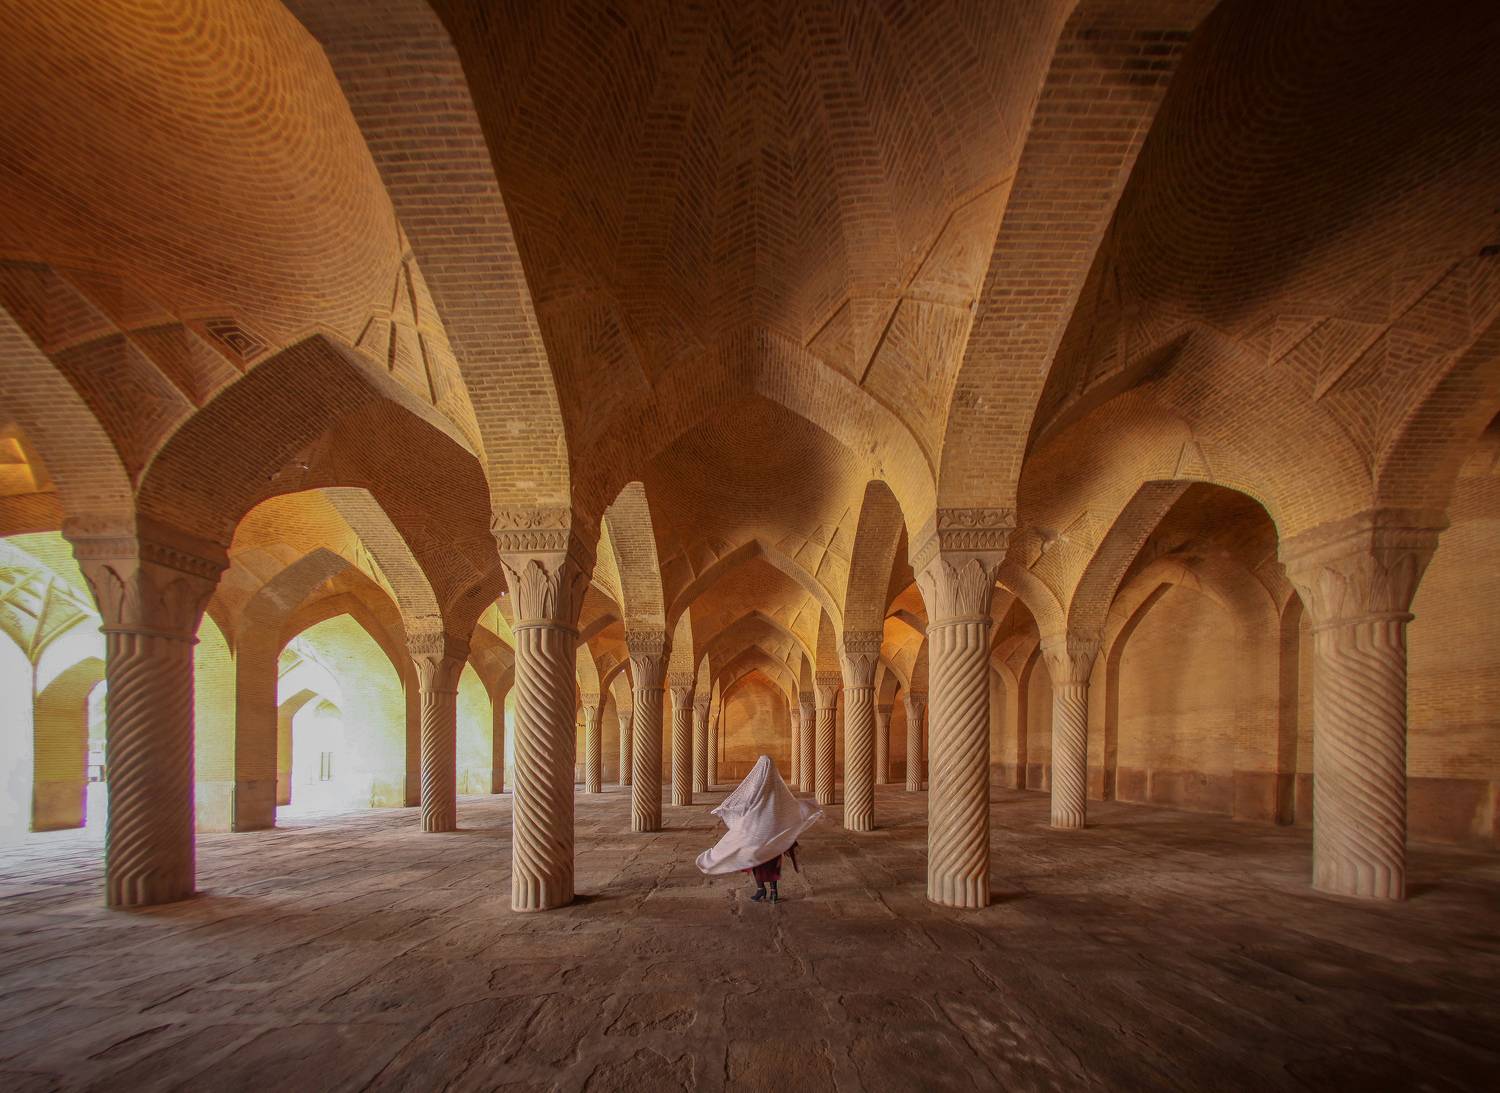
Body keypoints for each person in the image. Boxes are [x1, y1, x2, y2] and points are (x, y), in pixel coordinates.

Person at [696, 755, 821, 904]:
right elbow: (788, 805)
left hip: (760, 832)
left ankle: (763, 890)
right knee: (770, 862)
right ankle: (770, 891)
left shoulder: (759, 786)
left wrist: (727, 809)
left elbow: (746, 803)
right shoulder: (777, 786)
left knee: (757, 862)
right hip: (772, 832)